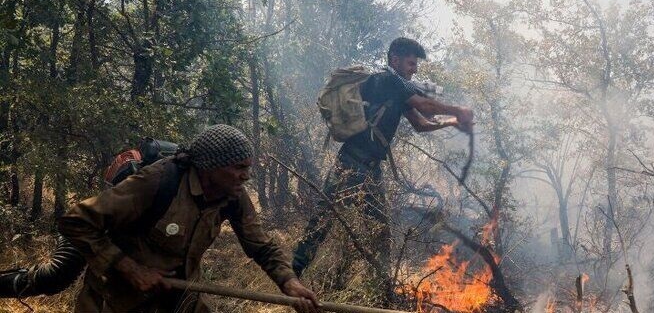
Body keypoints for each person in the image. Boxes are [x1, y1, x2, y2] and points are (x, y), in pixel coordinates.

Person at [58, 125, 321, 313]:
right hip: (117, 298)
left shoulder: (233, 195)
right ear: (210, 167)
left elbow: (261, 246)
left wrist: (290, 283)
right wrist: (132, 269)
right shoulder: (157, 182)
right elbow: (76, 221)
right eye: (239, 167)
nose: (246, 176)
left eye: (248, 168)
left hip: (181, 297)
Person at [292, 37, 474, 290]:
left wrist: (453, 123)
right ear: (394, 60)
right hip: (351, 164)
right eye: (411, 63)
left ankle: (381, 289)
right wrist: (458, 110)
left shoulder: (398, 91)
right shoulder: (387, 81)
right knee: (323, 222)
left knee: (379, 231)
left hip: (370, 170)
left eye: (416, 64)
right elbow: (426, 107)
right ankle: (292, 277)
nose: (415, 69)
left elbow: (421, 124)